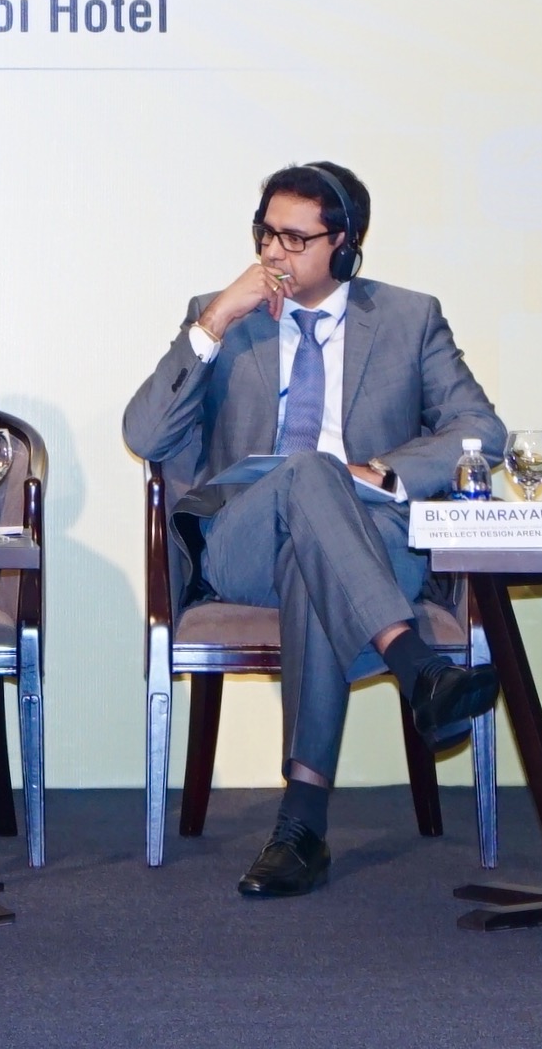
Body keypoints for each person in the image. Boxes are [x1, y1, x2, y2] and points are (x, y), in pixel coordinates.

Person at [123, 161, 506, 899]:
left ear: (345, 246)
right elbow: (144, 435)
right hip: (240, 544)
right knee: (306, 473)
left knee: (314, 554)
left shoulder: (408, 317)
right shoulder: (219, 316)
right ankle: (418, 668)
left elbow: (481, 431)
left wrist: (385, 472)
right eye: (265, 233)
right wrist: (215, 321)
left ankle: (300, 829)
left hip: (372, 540)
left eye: (295, 239)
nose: (274, 252)